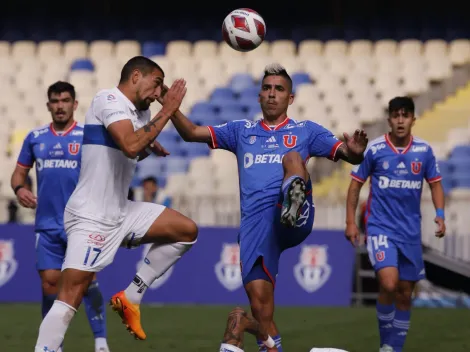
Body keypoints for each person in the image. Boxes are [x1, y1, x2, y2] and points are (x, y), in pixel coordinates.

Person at [164, 63, 368, 352]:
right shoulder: (241, 131)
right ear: (259, 95)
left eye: (279, 89)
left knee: (292, 159)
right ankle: (249, 327)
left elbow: (346, 153)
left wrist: (355, 153)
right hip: (256, 229)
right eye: (267, 88)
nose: (272, 94)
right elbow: (192, 132)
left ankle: (290, 202)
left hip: (294, 218)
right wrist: (169, 106)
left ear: (291, 98)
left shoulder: (305, 131)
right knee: (262, 311)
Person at [34, 56, 198, 352]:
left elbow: (128, 151)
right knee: (71, 292)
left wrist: (147, 145)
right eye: (157, 83)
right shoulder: (107, 99)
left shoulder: (140, 115)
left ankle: (131, 296)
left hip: (121, 211)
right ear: (136, 76)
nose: (159, 92)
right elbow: (130, 144)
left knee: (186, 230)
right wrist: (168, 110)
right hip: (90, 216)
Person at [12, 81, 111, 352]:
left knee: (88, 282)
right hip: (47, 226)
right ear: (48, 105)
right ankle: (53, 345)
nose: (60, 106)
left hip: (81, 224)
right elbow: (19, 174)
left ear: (74, 104)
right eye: (55, 101)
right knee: (49, 285)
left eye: (65, 100)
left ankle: (101, 342)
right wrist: (20, 189)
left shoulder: (87, 135)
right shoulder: (35, 137)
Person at [345, 96, 446, 352]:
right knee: (389, 283)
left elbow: (435, 183)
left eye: (405, 115)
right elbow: (356, 184)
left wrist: (440, 214)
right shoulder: (376, 150)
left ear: (413, 119)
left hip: (410, 232)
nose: (400, 120)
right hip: (380, 228)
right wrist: (351, 222)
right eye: (396, 115)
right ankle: (385, 345)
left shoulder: (423, 151)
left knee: (404, 292)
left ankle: (393, 347)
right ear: (389, 119)